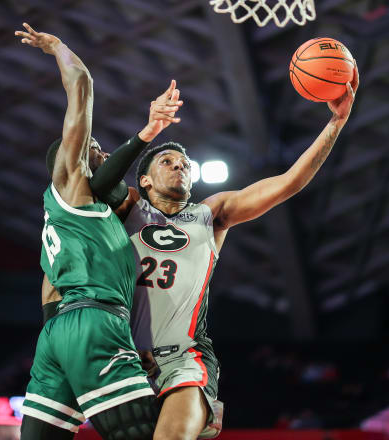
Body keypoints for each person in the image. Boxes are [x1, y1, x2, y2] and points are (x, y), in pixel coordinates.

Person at [102, 66, 359, 439]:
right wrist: (149, 132)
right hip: (125, 356)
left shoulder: (211, 213)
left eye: (185, 165)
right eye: (168, 162)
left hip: (184, 358)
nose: (180, 167)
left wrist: (335, 123)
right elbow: (94, 181)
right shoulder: (128, 207)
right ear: (144, 180)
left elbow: (288, 183)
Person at [13, 23, 181, 440]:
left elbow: (50, 290)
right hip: (94, 322)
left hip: (56, 334)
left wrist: (69, 345)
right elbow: (82, 83)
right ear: (71, 160)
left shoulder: (66, 221)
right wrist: (56, 47)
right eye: (95, 148)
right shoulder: (69, 182)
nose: (102, 152)